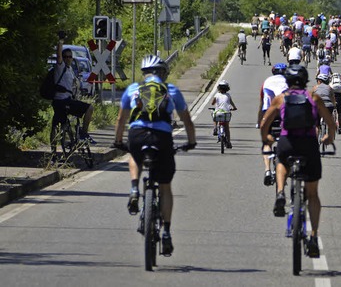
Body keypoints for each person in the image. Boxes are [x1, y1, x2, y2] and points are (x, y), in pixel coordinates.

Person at [113, 55, 197, 257]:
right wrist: (191, 141)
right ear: (163, 73)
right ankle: (166, 232)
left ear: (144, 73)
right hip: (162, 137)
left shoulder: (133, 89)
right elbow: (187, 120)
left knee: (134, 154)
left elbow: (121, 119)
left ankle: (134, 189)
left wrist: (118, 141)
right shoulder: (171, 90)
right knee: (165, 186)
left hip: (138, 134)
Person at [260, 65, 336, 258]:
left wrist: (267, 138)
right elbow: (330, 123)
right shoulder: (314, 97)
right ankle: (313, 236)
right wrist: (329, 138)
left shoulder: (281, 98)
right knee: (313, 194)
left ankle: (279, 193)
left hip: (288, 141)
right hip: (308, 143)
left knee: (281, 162)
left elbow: (264, 124)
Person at [51, 32, 94, 155]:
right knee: (89, 108)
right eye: (66, 57)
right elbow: (59, 54)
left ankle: (77, 135)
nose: (68, 58)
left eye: (70, 57)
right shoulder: (61, 66)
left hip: (67, 100)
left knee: (82, 111)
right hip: (61, 101)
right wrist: (60, 41)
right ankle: (83, 134)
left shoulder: (70, 70)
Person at [257, 63, 289, 185]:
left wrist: (260, 121)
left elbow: (262, 103)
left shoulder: (267, 81)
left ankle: (267, 170)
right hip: (284, 112)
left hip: (268, 112)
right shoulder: (288, 81)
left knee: (267, 142)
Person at [211, 80, 238, 147]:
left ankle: (215, 128)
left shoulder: (217, 95)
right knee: (227, 128)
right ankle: (228, 142)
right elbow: (231, 103)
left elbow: (212, 103)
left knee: (213, 114)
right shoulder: (228, 95)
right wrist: (234, 108)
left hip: (218, 113)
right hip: (226, 114)